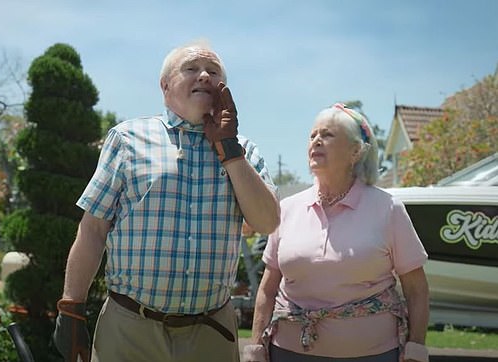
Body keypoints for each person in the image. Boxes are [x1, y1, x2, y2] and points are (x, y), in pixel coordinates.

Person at [53, 40, 280, 362]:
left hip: (211, 332)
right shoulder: (127, 139)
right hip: (131, 327)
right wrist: (71, 306)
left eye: (213, 71)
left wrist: (229, 149)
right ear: (165, 85)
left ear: (223, 88)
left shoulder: (244, 149)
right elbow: (93, 230)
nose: (204, 75)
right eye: (191, 68)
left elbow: (267, 222)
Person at [244, 103, 430, 362]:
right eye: (313, 135)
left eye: (327, 135)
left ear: (355, 151)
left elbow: (417, 289)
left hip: (372, 354)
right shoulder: (287, 209)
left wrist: (416, 347)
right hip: (288, 351)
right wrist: (255, 346)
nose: (316, 141)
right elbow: (267, 289)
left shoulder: (388, 209)